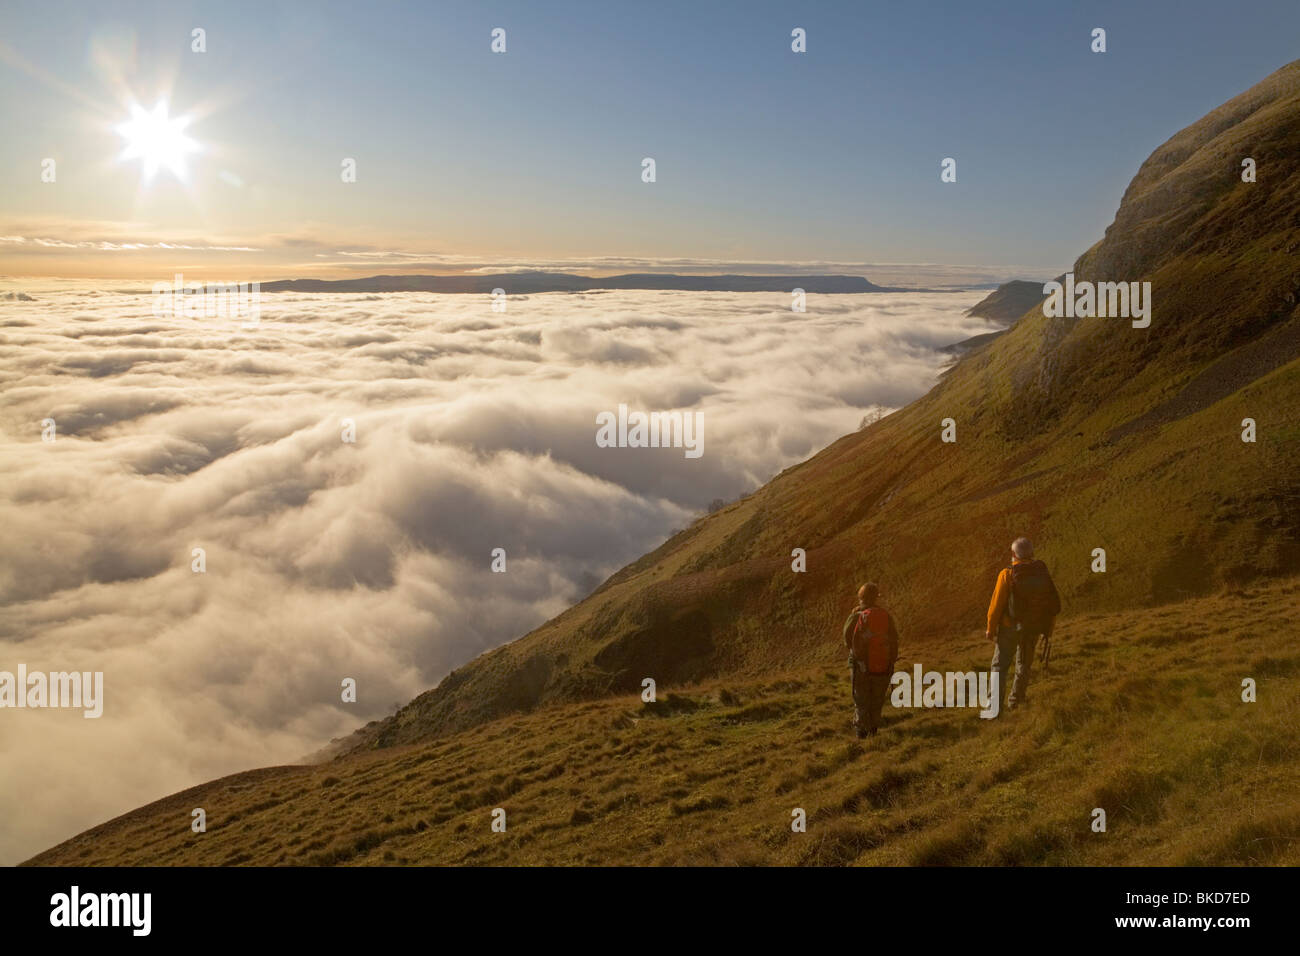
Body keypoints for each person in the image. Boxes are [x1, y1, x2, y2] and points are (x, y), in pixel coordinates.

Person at [986, 537, 1061, 713]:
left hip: (1009, 627)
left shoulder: (1007, 574)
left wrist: (990, 628)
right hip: (1033, 626)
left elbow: (995, 605)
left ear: (1013, 554)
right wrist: (1049, 628)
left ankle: (994, 708)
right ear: (1032, 553)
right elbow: (1051, 603)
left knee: (1000, 666)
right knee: (1024, 665)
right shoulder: (1041, 571)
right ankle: (1017, 701)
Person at [841, 582, 900, 738]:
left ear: (861, 597)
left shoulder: (856, 615)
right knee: (876, 699)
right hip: (883, 665)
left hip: (860, 666)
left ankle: (861, 735)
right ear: (876, 598)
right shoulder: (885, 615)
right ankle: (873, 732)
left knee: (861, 700)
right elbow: (894, 639)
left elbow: (847, 640)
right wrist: (890, 661)